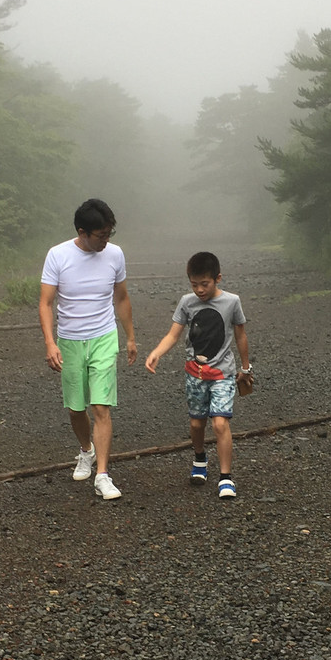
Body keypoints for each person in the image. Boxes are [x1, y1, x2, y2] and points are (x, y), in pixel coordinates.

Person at [39, 199, 137, 500]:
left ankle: (103, 475)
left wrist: (130, 337)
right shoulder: (58, 255)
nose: (106, 241)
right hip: (70, 340)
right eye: (101, 235)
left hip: (104, 337)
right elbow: (45, 303)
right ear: (83, 232)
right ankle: (86, 450)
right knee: (76, 408)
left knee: (101, 406)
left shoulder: (115, 255)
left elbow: (121, 298)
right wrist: (50, 342)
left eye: (110, 234)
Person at [144, 251, 252, 499]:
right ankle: (200, 459)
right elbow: (174, 334)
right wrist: (157, 352)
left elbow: (240, 335)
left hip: (223, 373)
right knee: (196, 423)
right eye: (194, 285)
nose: (200, 290)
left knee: (220, 422)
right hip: (195, 374)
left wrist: (246, 368)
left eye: (205, 284)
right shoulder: (187, 302)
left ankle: (226, 478)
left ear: (218, 279)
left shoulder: (232, 302)